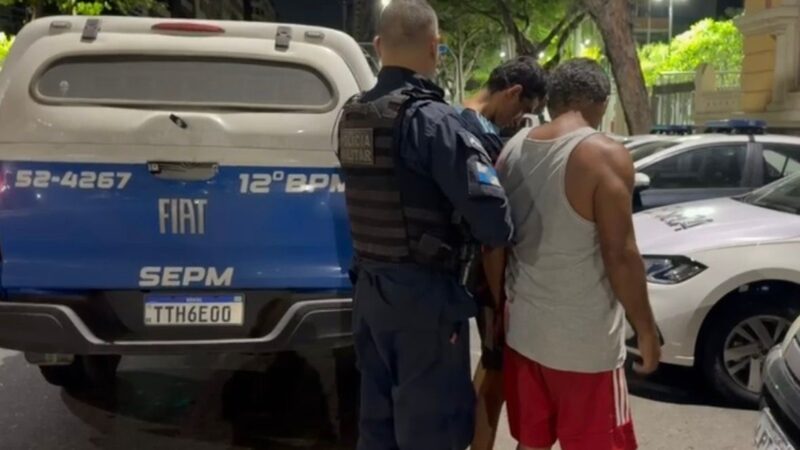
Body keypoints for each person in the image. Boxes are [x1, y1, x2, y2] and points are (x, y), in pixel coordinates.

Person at [336, 1, 514, 449]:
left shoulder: (353, 115)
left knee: (378, 429)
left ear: (378, 46)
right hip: (423, 299)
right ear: (435, 48)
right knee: (433, 430)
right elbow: (495, 221)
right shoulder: (434, 122)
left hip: (370, 294)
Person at [488, 58, 661, 450]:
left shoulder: (512, 149)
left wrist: (499, 311)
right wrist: (646, 331)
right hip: (585, 348)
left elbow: (495, 243)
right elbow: (621, 255)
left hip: (526, 337)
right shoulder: (603, 155)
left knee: (530, 444)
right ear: (600, 102)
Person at [455, 56, 548, 450]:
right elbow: (493, 231)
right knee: (496, 370)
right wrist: (499, 295)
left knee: (485, 369)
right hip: (481, 275)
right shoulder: (486, 138)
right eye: (523, 109)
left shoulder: (452, 119)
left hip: (454, 272)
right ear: (512, 92)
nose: (520, 120)